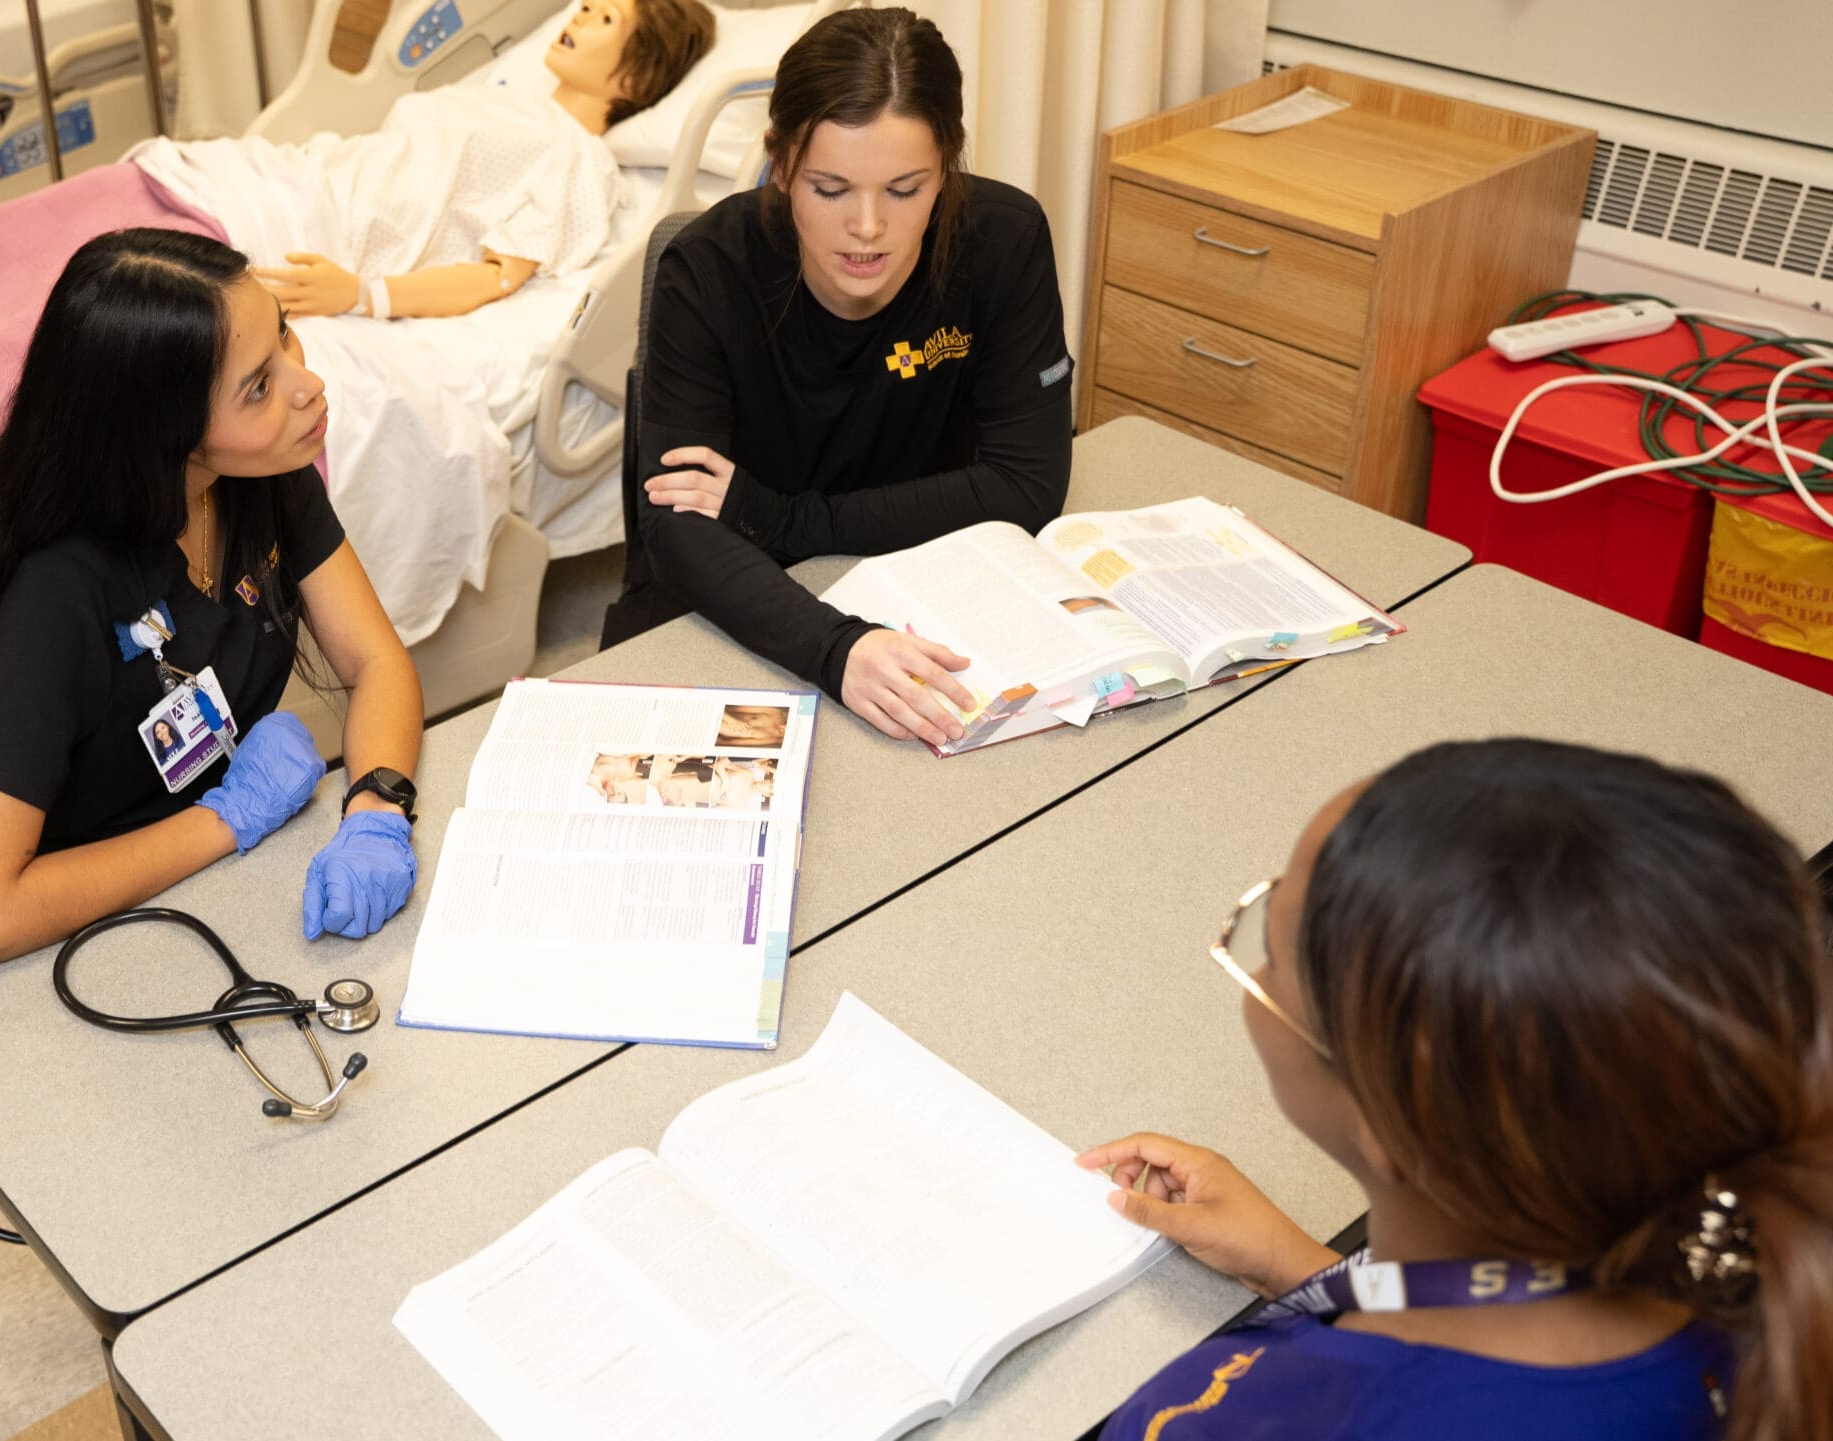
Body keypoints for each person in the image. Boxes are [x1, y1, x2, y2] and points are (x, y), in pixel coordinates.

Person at [1083, 739, 1833, 1440]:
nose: (1253, 942)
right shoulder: (1751, 1289)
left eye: (1266, 947)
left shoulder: (1244, 1415)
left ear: (1392, 1125)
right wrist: (1299, 1264)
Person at [0, 228, 426, 969]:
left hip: (229, 884)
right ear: (164, 434)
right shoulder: (58, 590)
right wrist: (226, 820)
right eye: (258, 385)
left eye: (285, 337)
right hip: (87, 938)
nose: (305, 384)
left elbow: (376, 659)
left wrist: (377, 809)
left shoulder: (259, 473)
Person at [606, 7, 1074, 749]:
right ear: (781, 163)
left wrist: (782, 517)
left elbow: (1027, 486)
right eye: (830, 189)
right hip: (737, 605)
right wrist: (837, 647)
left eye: (905, 189)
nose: (867, 227)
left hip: (916, 590)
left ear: (947, 165)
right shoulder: (707, 270)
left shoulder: (1003, 242)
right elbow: (677, 527)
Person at [238, 0, 715, 322]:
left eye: (604, 18)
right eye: (586, 5)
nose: (580, 16)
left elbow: (498, 276)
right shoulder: (507, 103)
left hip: (315, 234)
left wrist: (363, 295)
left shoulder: (578, 157)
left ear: (636, 77)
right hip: (285, 179)